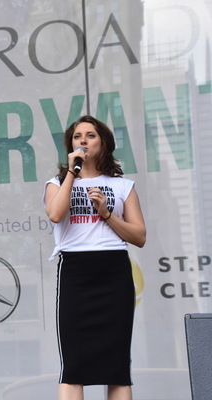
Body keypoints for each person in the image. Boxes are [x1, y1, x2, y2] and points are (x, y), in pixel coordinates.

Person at [43, 116, 146, 400]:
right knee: (74, 366)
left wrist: (107, 214)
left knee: (117, 367)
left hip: (113, 270)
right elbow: (55, 214)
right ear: (71, 144)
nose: (83, 141)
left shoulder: (123, 186)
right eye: (78, 136)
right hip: (76, 270)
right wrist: (72, 174)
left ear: (103, 144)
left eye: (90, 136)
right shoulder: (57, 183)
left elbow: (139, 236)